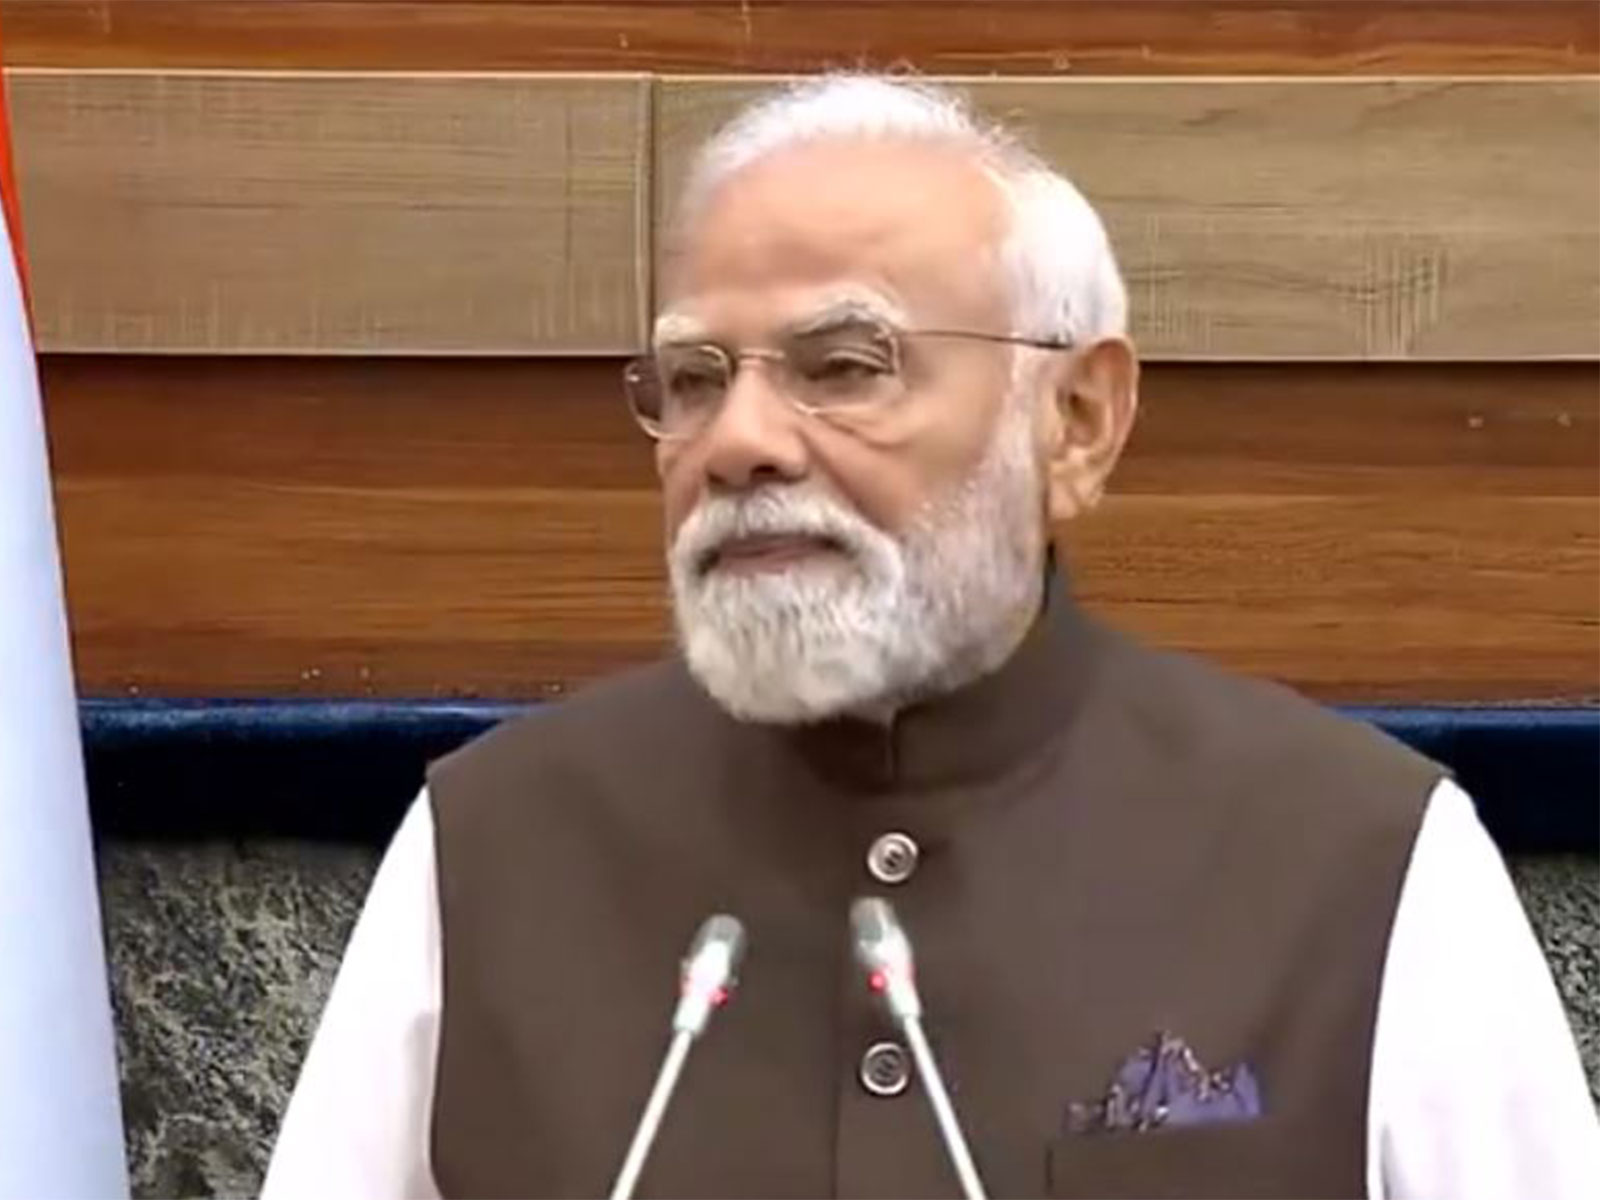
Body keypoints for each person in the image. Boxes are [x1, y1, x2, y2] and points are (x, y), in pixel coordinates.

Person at [260, 74, 1598, 1199]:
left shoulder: (1361, 860)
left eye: (846, 366)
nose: (738, 443)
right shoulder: (490, 846)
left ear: (1076, 421)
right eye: (693, 380)